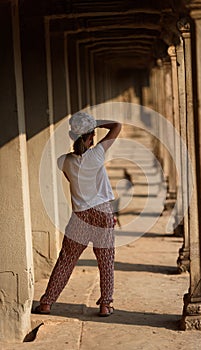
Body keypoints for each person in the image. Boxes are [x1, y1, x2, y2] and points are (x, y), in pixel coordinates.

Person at [34, 112, 121, 317]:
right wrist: (95, 123)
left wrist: (85, 129)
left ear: (72, 137)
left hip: (80, 215)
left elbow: (71, 180)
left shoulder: (62, 161)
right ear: (91, 136)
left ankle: (46, 302)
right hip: (102, 212)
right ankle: (105, 305)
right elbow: (117, 126)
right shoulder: (98, 154)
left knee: (66, 260)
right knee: (106, 260)